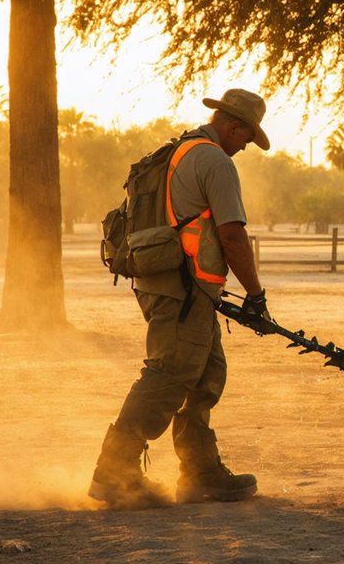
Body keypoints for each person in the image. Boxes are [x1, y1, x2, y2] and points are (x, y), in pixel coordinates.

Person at [89, 88, 275, 508]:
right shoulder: (215, 161)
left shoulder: (183, 149)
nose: (247, 145)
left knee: (206, 374)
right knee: (170, 374)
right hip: (182, 290)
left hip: (179, 285)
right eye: (248, 137)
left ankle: (201, 472)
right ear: (234, 126)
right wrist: (256, 296)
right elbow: (231, 235)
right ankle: (114, 474)